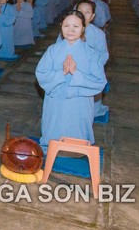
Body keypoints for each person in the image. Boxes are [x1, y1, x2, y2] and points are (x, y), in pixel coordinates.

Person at [36, 11, 107, 150]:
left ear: (83, 29)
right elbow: (41, 73)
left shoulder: (91, 53)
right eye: (66, 25)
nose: (70, 30)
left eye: (76, 26)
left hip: (80, 100)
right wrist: (61, 73)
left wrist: (76, 73)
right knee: (54, 130)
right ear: (61, 27)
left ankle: (78, 148)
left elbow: (99, 81)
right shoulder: (53, 50)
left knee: (77, 131)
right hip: (56, 99)